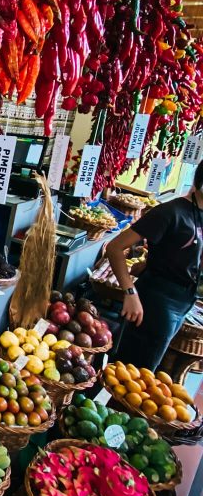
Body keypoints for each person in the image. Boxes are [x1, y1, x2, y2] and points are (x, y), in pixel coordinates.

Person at [105, 158, 203, 372]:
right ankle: (109, 403)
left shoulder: (199, 214)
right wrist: (130, 293)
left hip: (184, 301)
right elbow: (114, 248)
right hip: (157, 301)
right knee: (133, 370)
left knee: (144, 370)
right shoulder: (171, 212)